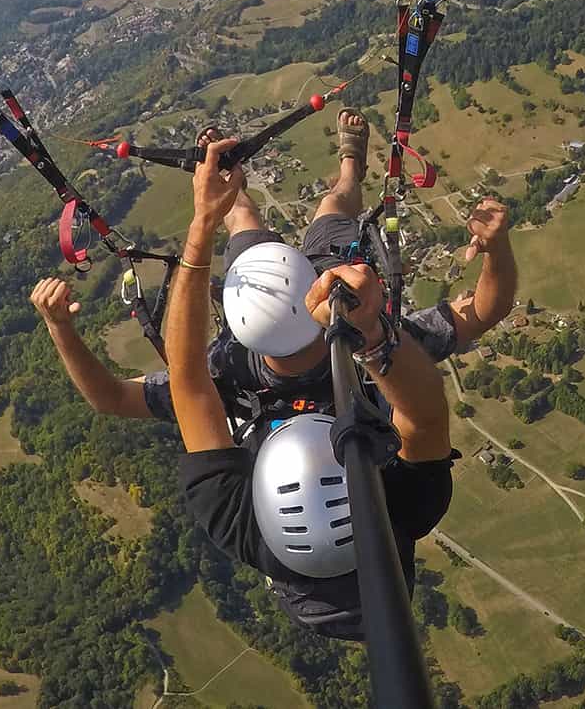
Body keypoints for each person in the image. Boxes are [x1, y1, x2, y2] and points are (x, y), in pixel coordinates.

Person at [31, 110, 515, 430]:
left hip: (289, 285)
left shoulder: (227, 373)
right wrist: (497, 250)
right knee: (332, 206)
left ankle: (228, 181)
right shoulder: (369, 338)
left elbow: (113, 398)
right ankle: (349, 169)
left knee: (242, 217)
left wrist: (60, 329)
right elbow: (483, 311)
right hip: (331, 285)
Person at [167, 137, 455, 638]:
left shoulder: (405, 512)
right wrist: (201, 226)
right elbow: (187, 377)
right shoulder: (242, 528)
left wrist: (374, 335)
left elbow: (426, 418)